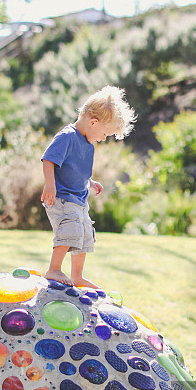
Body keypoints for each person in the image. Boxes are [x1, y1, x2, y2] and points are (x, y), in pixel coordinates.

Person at [41, 85, 136, 288]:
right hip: (63, 198)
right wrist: (50, 185)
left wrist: (90, 182)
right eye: (104, 134)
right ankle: (54, 269)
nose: (104, 139)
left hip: (79, 200)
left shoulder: (87, 144)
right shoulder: (67, 136)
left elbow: (77, 170)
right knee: (70, 229)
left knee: (84, 234)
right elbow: (48, 160)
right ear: (93, 122)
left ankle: (77, 276)